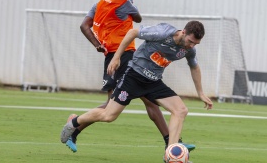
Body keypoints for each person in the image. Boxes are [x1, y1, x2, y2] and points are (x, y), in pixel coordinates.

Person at [64, 0, 195, 153]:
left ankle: (171, 142)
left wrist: (97, 44)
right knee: (113, 107)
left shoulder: (100, 4)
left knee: (149, 102)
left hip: (116, 53)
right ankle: (75, 124)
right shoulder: (125, 1)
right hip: (122, 55)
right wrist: (132, 9)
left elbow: (84, 25)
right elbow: (138, 19)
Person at [61, 20, 213, 158]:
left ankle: (170, 155)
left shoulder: (189, 50)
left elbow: (194, 67)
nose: (192, 46)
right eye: (191, 41)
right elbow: (133, 32)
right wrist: (116, 57)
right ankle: (74, 122)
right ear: (184, 32)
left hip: (153, 82)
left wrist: (200, 93)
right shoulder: (163, 32)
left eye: (196, 44)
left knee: (180, 110)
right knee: (109, 115)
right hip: (133, 77)